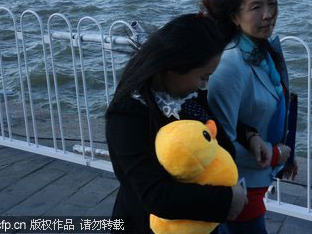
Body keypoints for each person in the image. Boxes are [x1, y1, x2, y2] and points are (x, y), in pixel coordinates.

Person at [105, 13, 247, 233]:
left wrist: (250, 135)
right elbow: (157, 195)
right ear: (173, 67)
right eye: (203, 76)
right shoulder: (127, 116)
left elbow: (214, 132)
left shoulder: (186, 98)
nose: (204, 85)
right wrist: (227, 199)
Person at [202, 0, 298, 234]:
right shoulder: (230, 64)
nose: (268, 15)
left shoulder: (262, 51)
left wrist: (286, 151)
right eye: (256, 7)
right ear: (235, 16)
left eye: (272, 4)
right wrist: (277, 154)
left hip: (256, 181)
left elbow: (272, 109)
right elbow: (220, 144)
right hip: (238, 188)